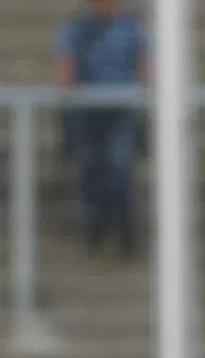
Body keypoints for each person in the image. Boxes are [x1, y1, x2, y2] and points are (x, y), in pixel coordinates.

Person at [56, 0, 151, 255]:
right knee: (91, 168)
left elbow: (145, 64)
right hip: (88, 110)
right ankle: (94, 224)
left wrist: (148, 93)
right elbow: (66, 67)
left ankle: (123, 225)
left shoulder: (131, 27)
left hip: (121, 109)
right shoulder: (76, 28)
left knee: (120, 166)